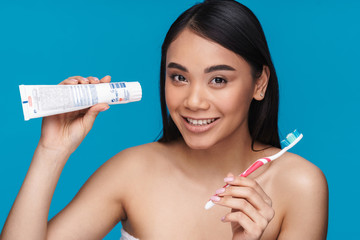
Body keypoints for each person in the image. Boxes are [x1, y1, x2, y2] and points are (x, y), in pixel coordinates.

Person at [0, 0, 328, 239]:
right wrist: (51, 151)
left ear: (259, 84)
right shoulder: (132, 170)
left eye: (218, 80)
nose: (193, 102)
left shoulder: (300, 186)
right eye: (179, 78)